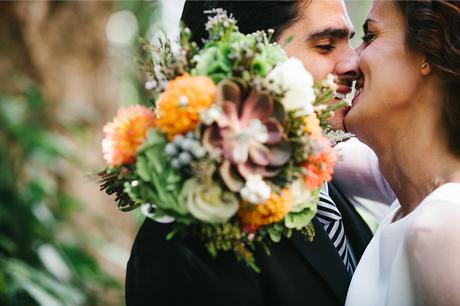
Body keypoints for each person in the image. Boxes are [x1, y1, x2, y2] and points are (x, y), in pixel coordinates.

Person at [126, 1, 387, 305]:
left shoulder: (332, 190)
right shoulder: (190, 239)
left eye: (350, 41)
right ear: (248, 61)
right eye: (326, 45)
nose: (354, 62)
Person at [344, 1, 460, 305]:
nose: (351, 61)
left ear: (428, 50)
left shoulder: (443, 225)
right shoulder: (406, 208)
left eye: (369, 37)